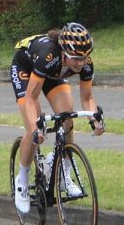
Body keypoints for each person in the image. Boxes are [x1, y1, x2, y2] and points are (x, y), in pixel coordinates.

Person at [11, 22, 104, 214]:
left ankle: (64, 174)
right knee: (34, 126)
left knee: (67, 119)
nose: (81, 63)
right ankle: (22, 179)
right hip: (26, 69)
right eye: (76, 59)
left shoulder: (84, 63)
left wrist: (95, 119)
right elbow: (30, 99)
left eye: (84, 58)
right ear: (63, 52)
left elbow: (87, 98)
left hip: (52, 73)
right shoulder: (49, 56)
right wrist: (36, 128)